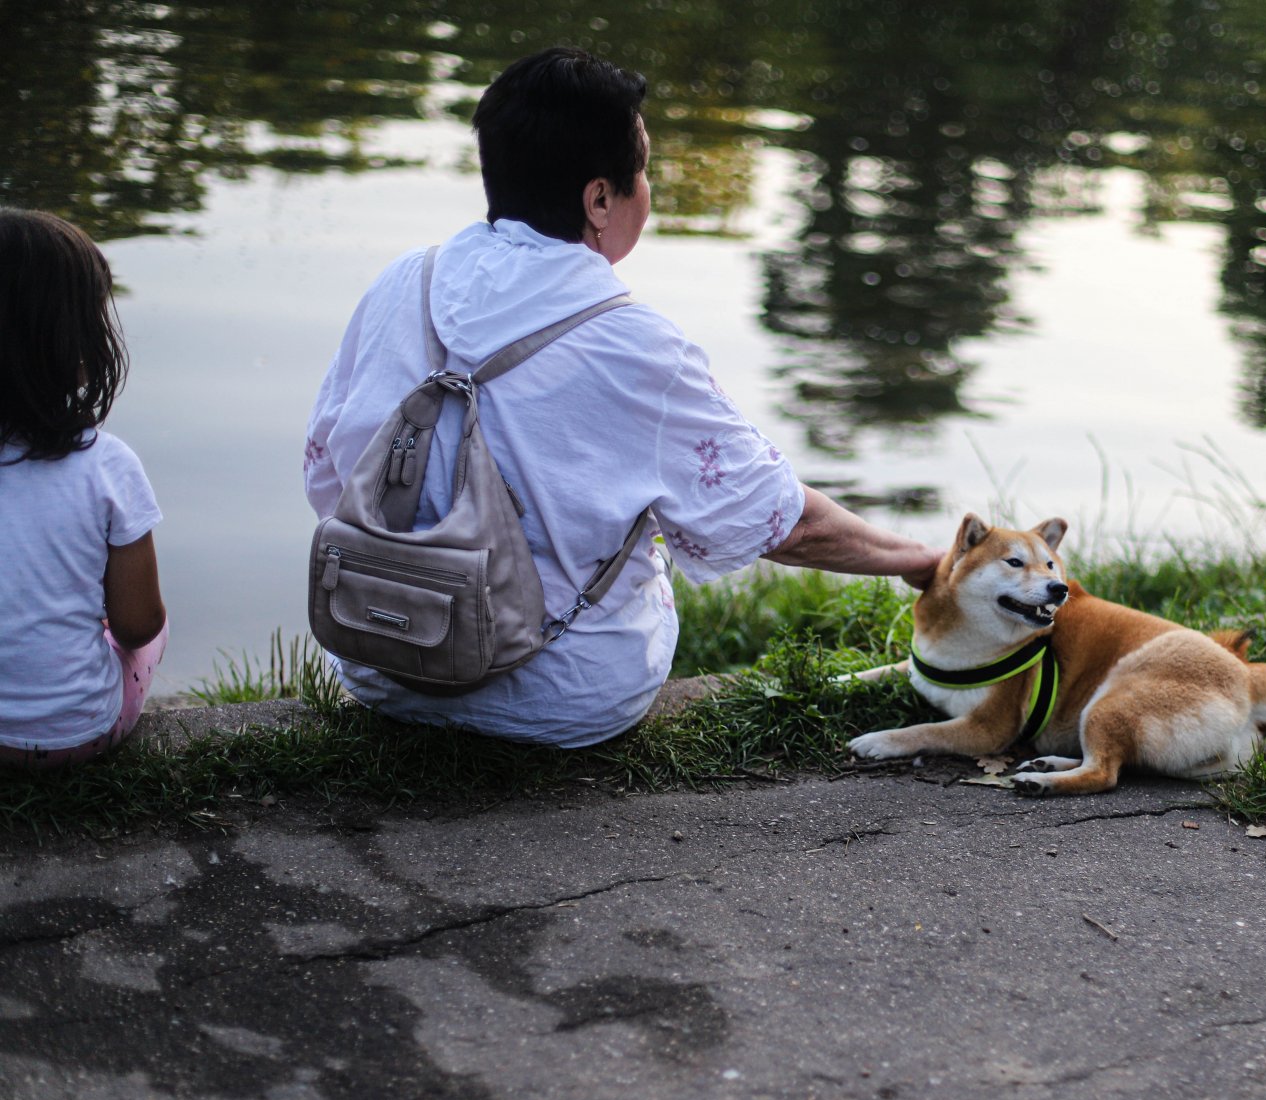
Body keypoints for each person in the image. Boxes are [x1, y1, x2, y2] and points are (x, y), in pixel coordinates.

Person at [303, 47, 940, 748]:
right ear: (600, 198)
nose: (647, 191)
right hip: (554, 699)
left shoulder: (404, 281)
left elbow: (329, 473)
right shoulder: (634, 345)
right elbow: (780, 521)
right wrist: (920, 560)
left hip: (379, 664)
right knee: (645, 528)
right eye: (644, 173)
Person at [0, 209, 168, 769]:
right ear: (73, 341)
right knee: (152, 630)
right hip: (72, 736)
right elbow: (137, 623)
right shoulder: (107, 465)